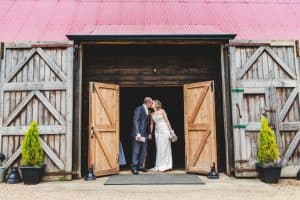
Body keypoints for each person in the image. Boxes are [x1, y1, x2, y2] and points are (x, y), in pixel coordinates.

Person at [131, 97, 153, 175]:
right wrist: (137, 132)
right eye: (151, 103)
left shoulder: (149, 111)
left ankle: (141, 166)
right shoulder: (139, 109)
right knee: (136, 151)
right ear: (147, 102)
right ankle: (134, 168)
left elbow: (149, 122)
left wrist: (150, 133)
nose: (152, 104)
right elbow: (136, 121)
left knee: (143, 151)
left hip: (145, 134)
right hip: (139, 134)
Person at [150, 100, 173, 172]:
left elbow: (167, 120)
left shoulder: (162, 111)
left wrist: (170, 130)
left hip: (165, 130)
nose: (151, 104)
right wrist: (150, 133)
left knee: (165, 148)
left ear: (156, 104)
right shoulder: (152, 114)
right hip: (157, 132)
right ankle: (159, 165)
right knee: (159, 148)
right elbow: (151, 125)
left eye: (152, 103)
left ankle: (166, 165)